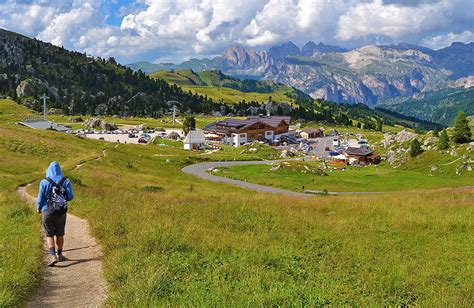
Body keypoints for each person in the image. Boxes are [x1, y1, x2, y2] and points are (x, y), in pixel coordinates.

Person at [37, 161, 74, 266]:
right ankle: (60, 254)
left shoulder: (44, 181)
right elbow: (70, 197)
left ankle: (53, 256)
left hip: (46, 211)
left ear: (48, 169)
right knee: (60, 234)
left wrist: (39, 209)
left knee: (49, 235)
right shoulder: (65, 181)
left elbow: (40, 198)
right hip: (61, 212)